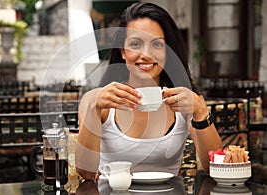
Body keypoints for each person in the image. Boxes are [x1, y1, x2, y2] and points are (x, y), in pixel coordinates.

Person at [75, 2, 222, 181]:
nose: (146, 54)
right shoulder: (96, 100)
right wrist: (94, 108)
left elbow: (214, 167)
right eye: (136, 44)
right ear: (123, 52)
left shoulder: (184, 100)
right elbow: (85, 172)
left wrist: (200, 111)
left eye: (157, 44)